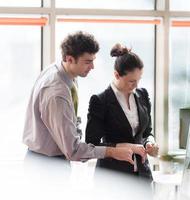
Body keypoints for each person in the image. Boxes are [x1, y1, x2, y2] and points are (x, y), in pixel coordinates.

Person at [23, 31, 134, 164]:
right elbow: (73, 150)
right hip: (45, 165)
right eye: (87, 62)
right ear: (69, 59)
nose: (92, 67)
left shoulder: (64, 73)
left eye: (93, 61)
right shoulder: (57, 93)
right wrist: (112, 152)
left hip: (49, 160)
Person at [85, 43, 159, 179]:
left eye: (139, 80)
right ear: (117, 75)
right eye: (131, 81)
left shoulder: (142, 95)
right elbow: (92, 144)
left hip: (143, 176)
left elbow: (147, 132)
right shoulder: (100, 101)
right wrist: (127, 146)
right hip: (112, 178)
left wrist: (150, 142)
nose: (136, 85)